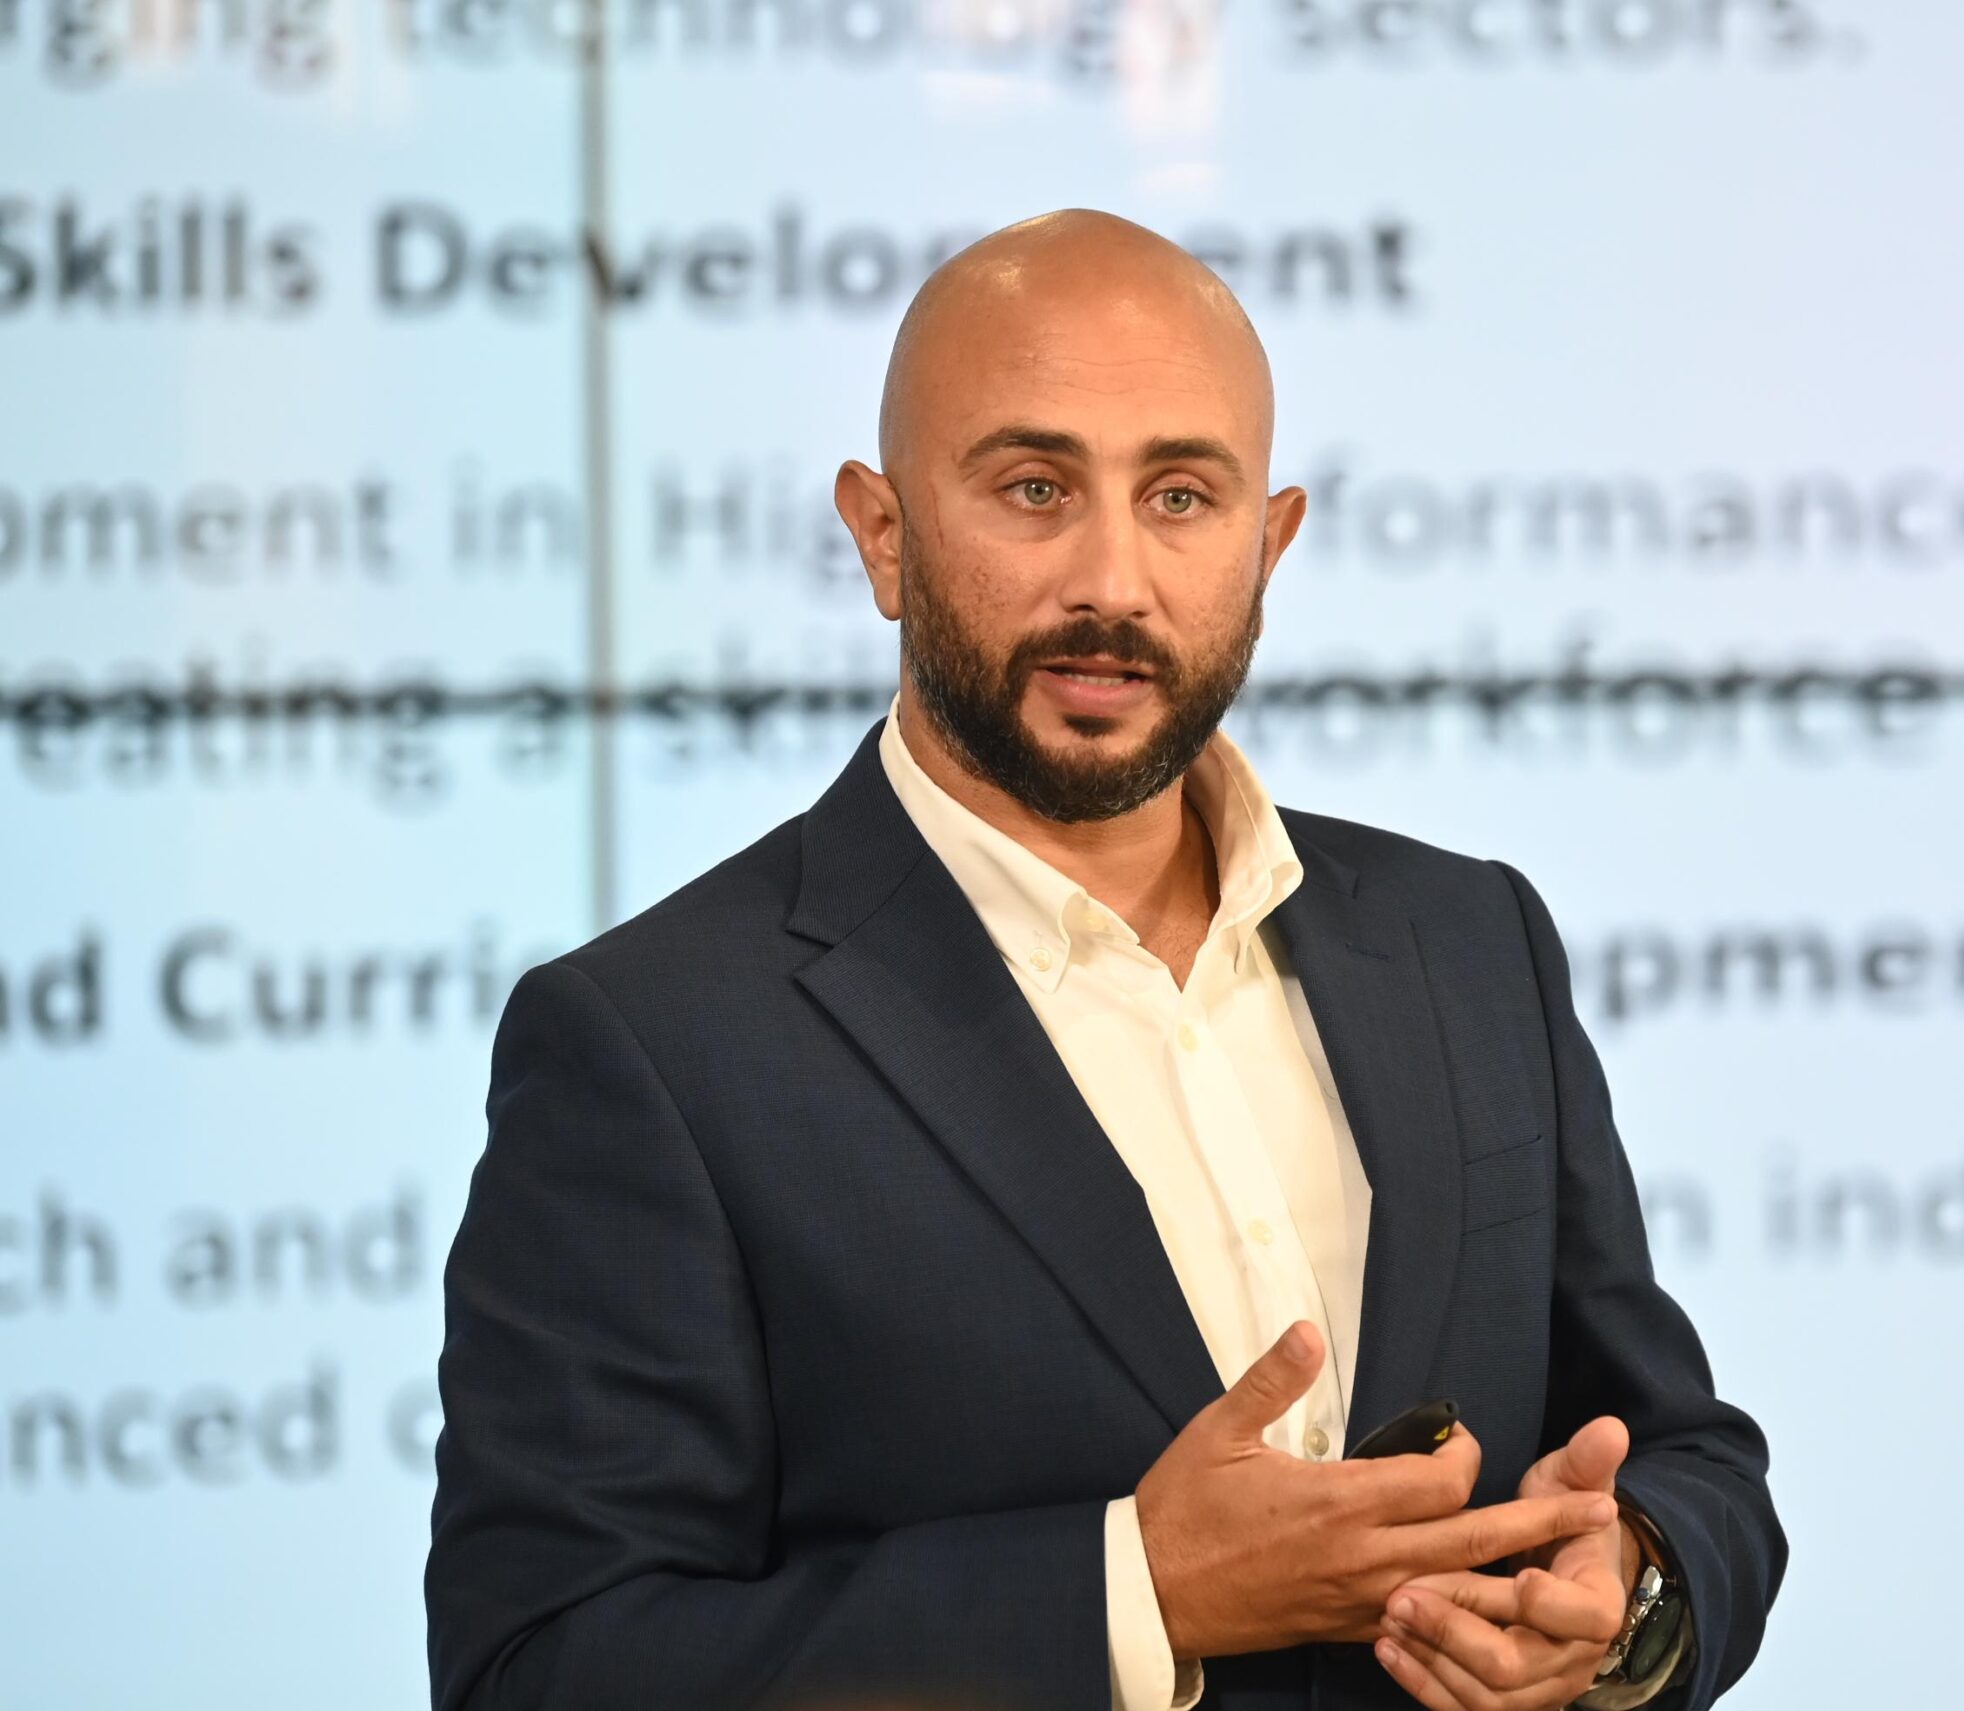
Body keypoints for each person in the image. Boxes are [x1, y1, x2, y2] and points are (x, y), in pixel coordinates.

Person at [425, 208, 1784, 1711]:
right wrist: (1136, 1596)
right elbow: (544, 1669)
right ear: (884, 535)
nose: (1114, 583)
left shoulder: (1468, 939)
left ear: (1270, 544)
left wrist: (1628, 1593)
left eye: (1182, 497)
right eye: (1035, 489)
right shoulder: (655, 1043)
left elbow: (1682, 1454)